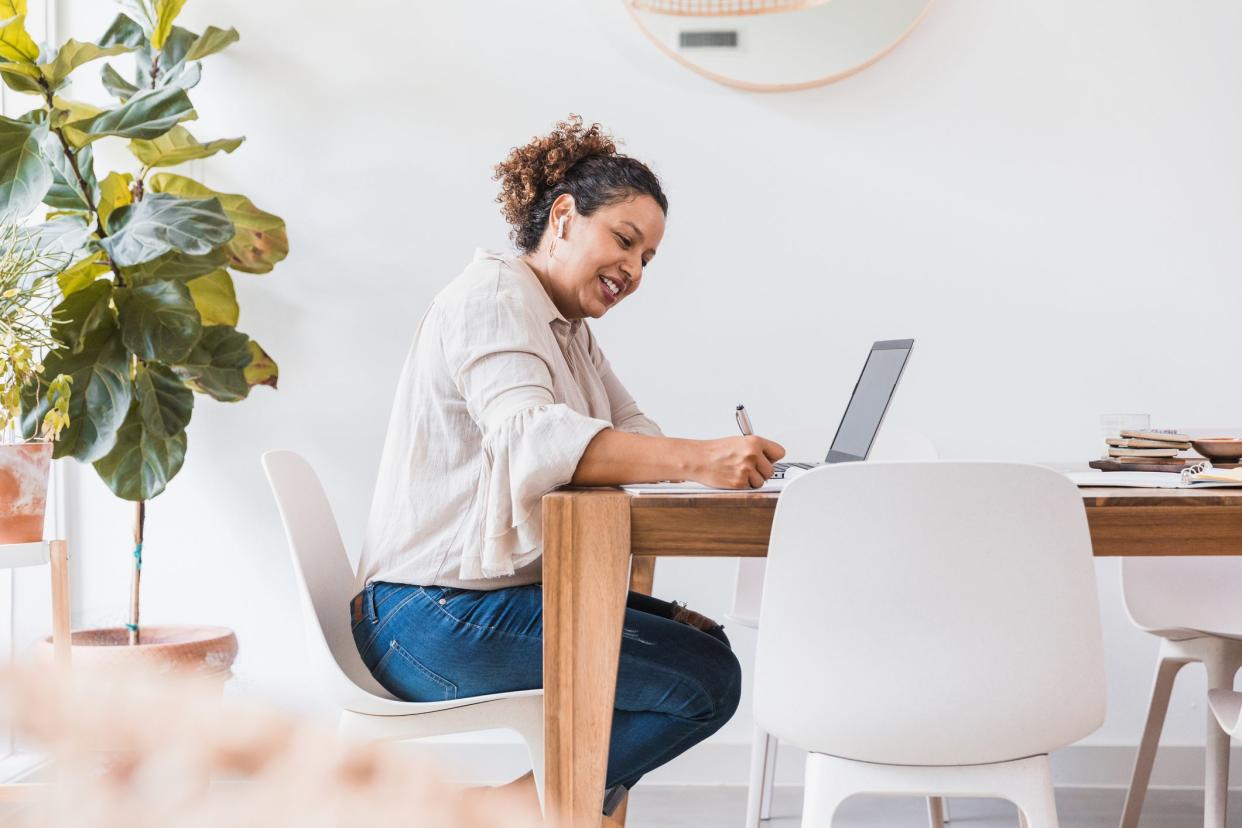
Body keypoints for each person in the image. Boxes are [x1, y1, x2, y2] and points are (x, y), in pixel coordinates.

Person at [351, 114, 786, 816]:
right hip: (427, 616)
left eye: (648, 258)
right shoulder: (492, 299)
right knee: (705, 679)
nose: (635, 271)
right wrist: (700, 459)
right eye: (624, 241)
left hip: (471, 602)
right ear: (561, 217)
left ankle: (522, 808)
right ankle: (508, 811)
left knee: (700, 643)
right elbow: (533, 436)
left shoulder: (566, 329)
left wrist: (706, 460)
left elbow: (632, 432)